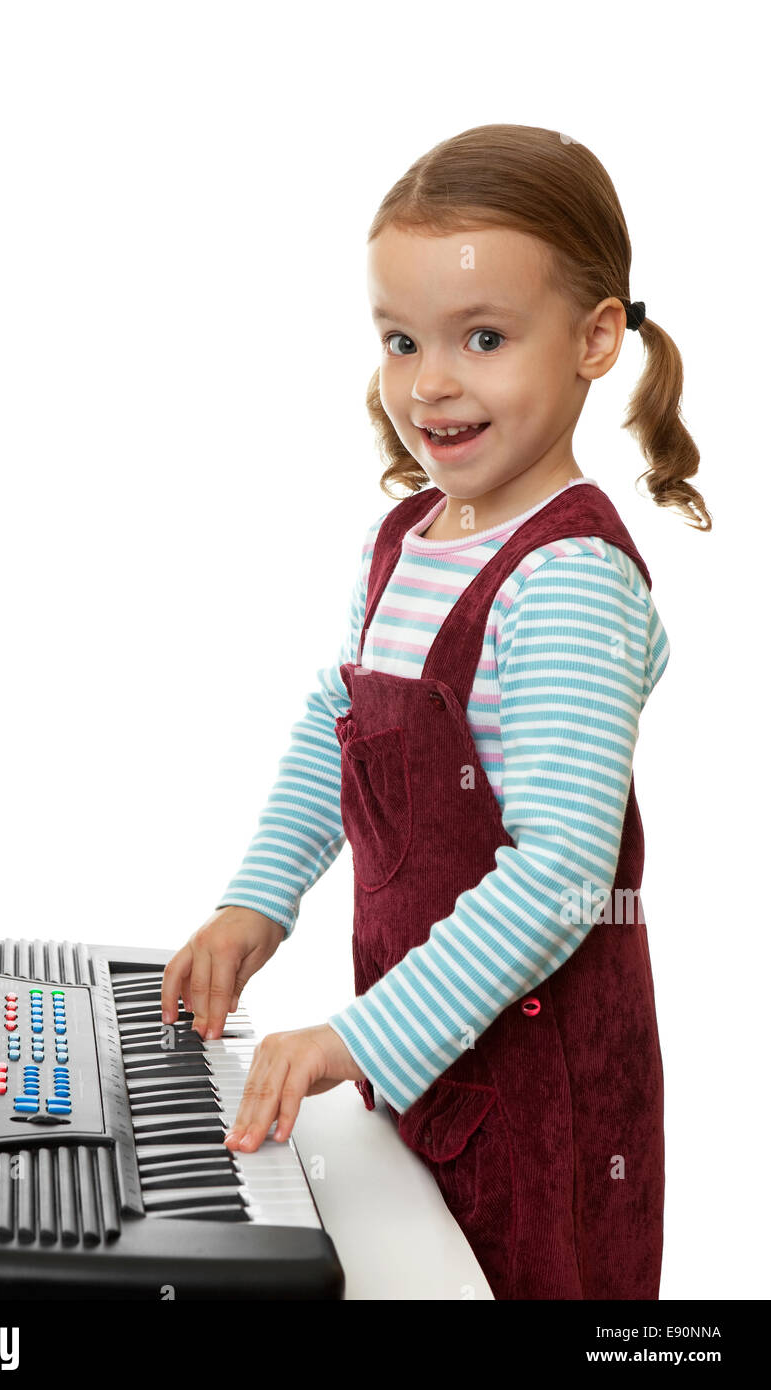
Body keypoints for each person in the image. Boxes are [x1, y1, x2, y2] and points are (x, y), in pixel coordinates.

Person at [160, 123, 710, 1300]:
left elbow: (563, 870)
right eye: (402, 340)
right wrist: (258, 900)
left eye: (485, 338)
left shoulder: (566, 580)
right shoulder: (406, 539)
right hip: (433, 1072)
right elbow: (342, 722)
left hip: (541, 1105)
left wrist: (354, 1036)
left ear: (596, 340)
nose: (431, 383)